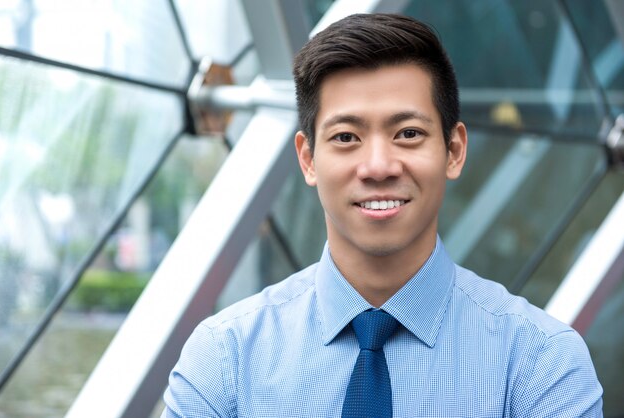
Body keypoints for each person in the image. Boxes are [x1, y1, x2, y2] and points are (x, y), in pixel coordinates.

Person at [161, 13, 603, 417]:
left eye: (408, 133)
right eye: (347, 137)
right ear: (308, 158)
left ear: (454, 151)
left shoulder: (539, 363)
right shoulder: (225, 358)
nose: (377, 166)